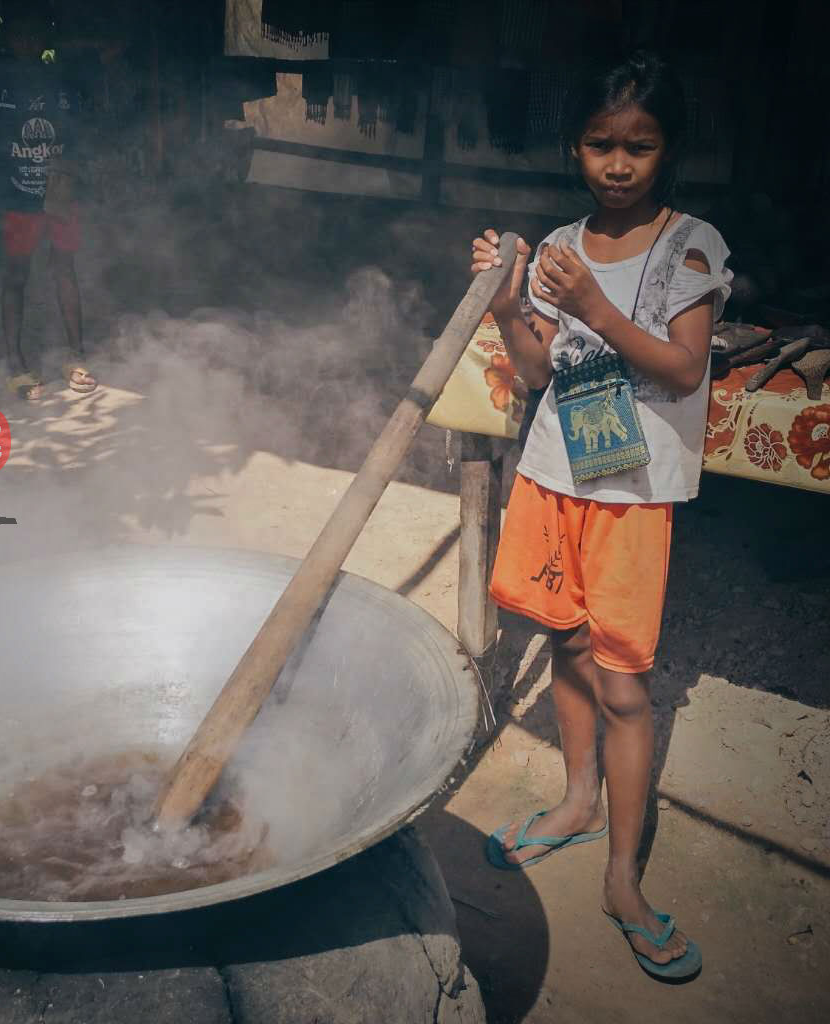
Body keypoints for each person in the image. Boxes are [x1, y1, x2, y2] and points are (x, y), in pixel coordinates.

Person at [469, 51, 731, 981]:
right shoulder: (562, 244)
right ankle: (577, 802)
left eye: (638, 147)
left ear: (667, 150)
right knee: (567, 647)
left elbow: (684, 367)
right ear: (574, 146)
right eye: (600, 145)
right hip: (557, 475)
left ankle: (623, 877)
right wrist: (511, 303)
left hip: (630, 495)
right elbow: (541, 371)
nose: (618, 164)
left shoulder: (690, 246)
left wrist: (590, 303)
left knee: (624, 682)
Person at [0, 4, 102, 400]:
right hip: (16, 195)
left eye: (35, 34)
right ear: (7, 40)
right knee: (16, 275)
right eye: (19, 34)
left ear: (46, 40)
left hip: (60, 193)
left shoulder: (64, 78)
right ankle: (16, 363)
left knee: (64, 269)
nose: (27, 41)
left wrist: (70, 170)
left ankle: (76, 355)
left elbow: (110, 49)